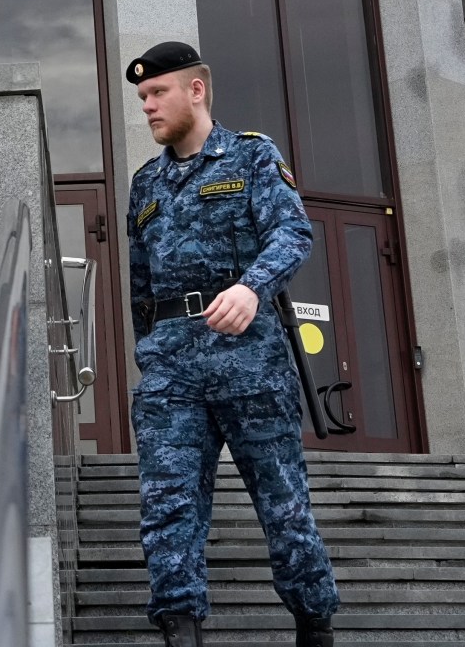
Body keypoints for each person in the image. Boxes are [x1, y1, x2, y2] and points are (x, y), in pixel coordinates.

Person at [123, 41, 341, 647]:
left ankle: (314, 624)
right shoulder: (145, 185)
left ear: (196, 90)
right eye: (141, 97)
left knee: (283, 504)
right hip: (171, 371)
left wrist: (251, 288)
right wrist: (151, 352)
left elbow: (294, 232)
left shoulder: (250, 156)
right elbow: (141, 286)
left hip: (250, 363)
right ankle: (180, 628)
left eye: (157, 92)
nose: (147, 106)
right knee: (168, 510)